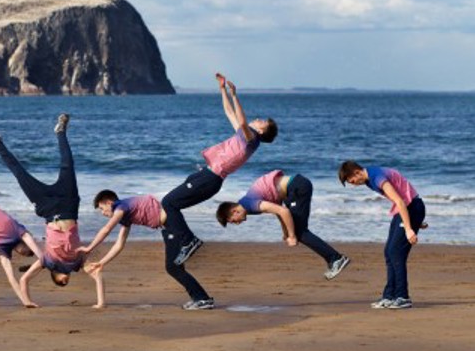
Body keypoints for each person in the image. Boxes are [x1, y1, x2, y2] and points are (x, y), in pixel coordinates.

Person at [0, 114, 104, 308]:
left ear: (54, 277)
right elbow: (96, 274)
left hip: (46, 209)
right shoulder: (78, 264)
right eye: (67, 281)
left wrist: (27, 302)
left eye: (61, 282)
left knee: (19, 173)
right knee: (68, 164)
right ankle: (61, 132)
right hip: (69, 206)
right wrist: (100, 303)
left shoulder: (47, 262)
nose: (66, 280)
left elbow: (24, 280)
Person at [166, 73, 277, 267]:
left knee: (168, 203)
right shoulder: (244, 136)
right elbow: (229, 113)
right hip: (208, 178)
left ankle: (188, 241)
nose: (257, 119)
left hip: (210, 178)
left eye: (261, 122)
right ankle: (181, 244)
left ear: (260, 131)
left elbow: (242, 121)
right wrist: (222, 89)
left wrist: (235, 95)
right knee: (172, 206)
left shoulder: (252, 139)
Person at [80, 189, 215, 310]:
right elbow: (119, 244)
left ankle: (202, 299)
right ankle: (201, 299)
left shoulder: (120, 206)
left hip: (171, 221)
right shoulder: (125, 215)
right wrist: (102, 262)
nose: (103, 213)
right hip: (168, 227)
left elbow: (107, 229)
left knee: (173, 267)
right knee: (174, 268)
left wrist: (89, 248)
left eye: (102, 209)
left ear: (109, 202)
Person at [215, 170, 350, 280]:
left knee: (300, 233)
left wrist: (291, 235)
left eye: (233, 220)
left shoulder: (249, 204)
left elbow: (283, 211)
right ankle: (334, 259)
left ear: (234, 211)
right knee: (298, 231)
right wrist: (286, 232)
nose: (237, 223)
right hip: (294, 188)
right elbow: (278, 212)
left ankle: (336, 258)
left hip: (296, 187)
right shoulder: (247, 205)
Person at [339, 161, 426, 309]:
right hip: (408, 209)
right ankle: (389, 296)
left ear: (357, 172)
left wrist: (409, 228)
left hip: (410, 208)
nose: (354, 185)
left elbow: (399, 200)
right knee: (389, 252)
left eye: (352, 181)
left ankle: (403, 297)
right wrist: (415, 220)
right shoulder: (369, 180)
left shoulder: (377, 177)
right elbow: (402, 191)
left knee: (396, 253)